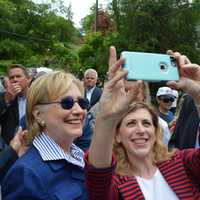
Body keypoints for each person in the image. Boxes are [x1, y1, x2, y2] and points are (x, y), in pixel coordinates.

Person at [85, 46, 200, 199]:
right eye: (131, 123)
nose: (140, 130)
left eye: (146, 123)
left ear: (155, 130)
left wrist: (198, 95)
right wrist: (107, 120)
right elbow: (97, 177)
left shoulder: (182, 162)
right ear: (117, 135)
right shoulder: (115, 183)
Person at [2, 71, 89, 199]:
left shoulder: (81, 156)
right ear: (38, 114)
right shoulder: (26, 174)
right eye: (67, 103)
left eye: (82, 103)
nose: (79, 110)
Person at [0, 64, 31, 144]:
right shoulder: (3, 96)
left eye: (18, 76)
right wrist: (6, 100)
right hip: (9, 145)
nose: (15, 80)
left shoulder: (37, 96)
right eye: (11, 78)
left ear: (28, 79)